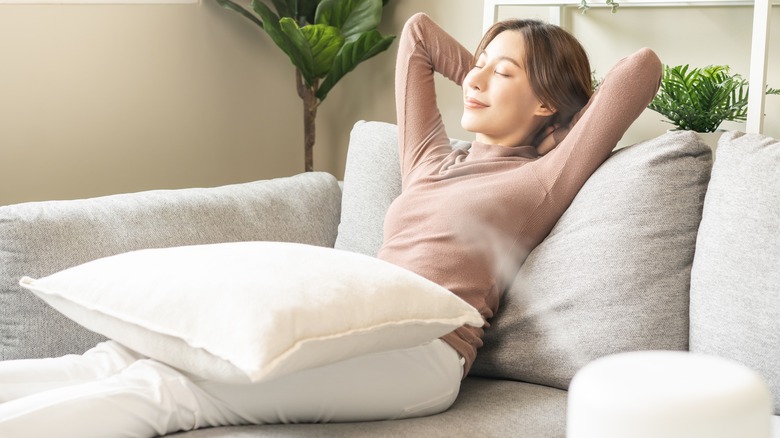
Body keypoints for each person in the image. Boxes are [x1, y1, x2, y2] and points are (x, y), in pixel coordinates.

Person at [0, 12, 661, 438]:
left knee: (165, 390)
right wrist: (492, 70)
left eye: (504, 72)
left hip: (422, 356)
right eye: (479, 65)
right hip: (346, 322)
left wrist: (541, 101)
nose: (478, 78)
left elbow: (640, 71)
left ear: (548, 101)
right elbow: (419, 35)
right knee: (113, 358)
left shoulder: (540, 178)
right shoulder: (430, 160)